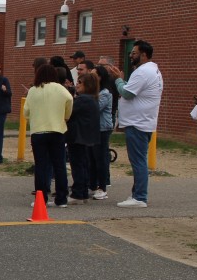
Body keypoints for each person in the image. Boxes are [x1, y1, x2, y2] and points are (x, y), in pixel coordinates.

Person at [104, 39, 163, 208]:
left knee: (138, 161)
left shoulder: (143, 72)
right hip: (143, 121)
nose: (131, 55)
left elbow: (127, 93)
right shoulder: (151, 70)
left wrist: (118, 79)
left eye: (134, 53)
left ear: (143, 55)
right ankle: (137, 193)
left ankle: (139, 197)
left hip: (138, 123)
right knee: (139, 160)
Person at [23, 64, 73, 208]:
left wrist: (33, 118)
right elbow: (69, 99)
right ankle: (61, 199)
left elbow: (26, 112)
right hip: (57, 130)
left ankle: (41, 198)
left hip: (38, 132)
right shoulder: (60, 88)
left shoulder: (33, 90)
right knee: (59, 165)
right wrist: (65, 116)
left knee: (41, 166)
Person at [66, 73, 100, 204]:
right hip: (86, 136)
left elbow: (69, 112)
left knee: (77, 164)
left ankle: (78, 193)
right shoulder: (92, 99)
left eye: (80, 82)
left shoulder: (83, 100)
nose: (77, 85)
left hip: (78, 136)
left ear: (88, 85)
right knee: (83, 163)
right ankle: (83, 191)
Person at [90, 65, 116, 200]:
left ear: (100, 77)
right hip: (92, 129)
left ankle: (103, 187)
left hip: (102, 129)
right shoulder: (92, 92)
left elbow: (95, 108)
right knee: (91, 158)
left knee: (100, 158)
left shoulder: (105, 93)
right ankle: (92, 184)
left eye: (94, 75)